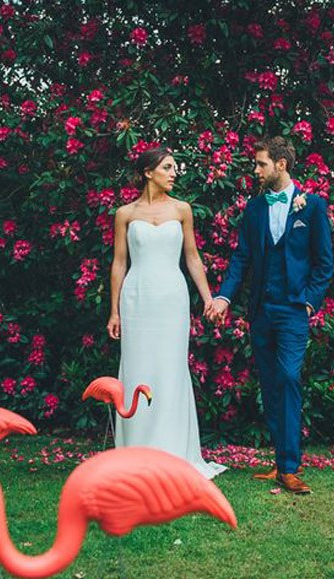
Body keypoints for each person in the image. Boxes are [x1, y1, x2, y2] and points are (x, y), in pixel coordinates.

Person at [206, 136, 333, 494]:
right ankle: (281, 464)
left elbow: (324, 264)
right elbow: (241, 258)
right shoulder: (255, 209)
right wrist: (224, 297)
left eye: (261, 163)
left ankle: (290, 467)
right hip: (261, 311)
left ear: (281, 164)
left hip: (293, 310)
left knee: (289, 378)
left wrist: (309, 302)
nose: (255, 170)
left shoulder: (312, 207)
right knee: (270, 385)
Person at [107, 147, 227, 479]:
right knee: (138, 368)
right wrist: (114, 310)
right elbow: (119, 263)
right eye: (168, 167)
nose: (174, 173)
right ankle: (137, 452)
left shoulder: (182, 209)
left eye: (175, 168)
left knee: (170, 369)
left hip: (172, 298)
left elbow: (192, 257)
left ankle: (174, 452)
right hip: (137, 298)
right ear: (148, 172)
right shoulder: (125, 214)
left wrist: (208, 298)